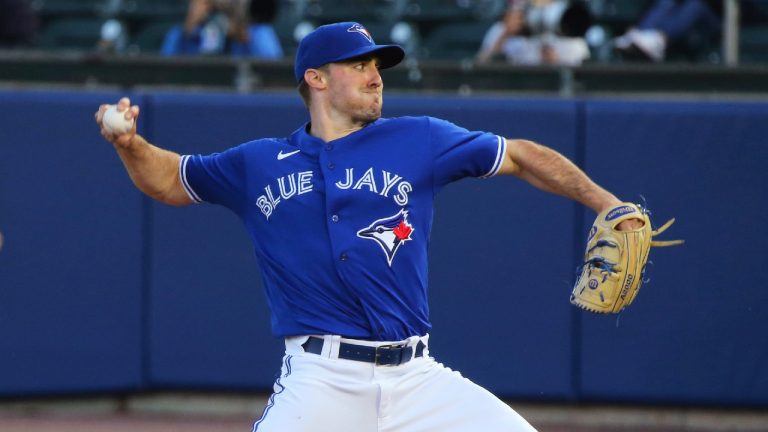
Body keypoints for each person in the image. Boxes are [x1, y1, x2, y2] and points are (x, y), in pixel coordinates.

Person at [95, 21, 640, 432]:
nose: (375, 76)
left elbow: (519, 156)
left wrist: (606, 202)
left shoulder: (419, 138)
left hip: (417, 379)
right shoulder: (259, 163)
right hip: (320, 380)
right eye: (358, 65)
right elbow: (170, 180)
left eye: (377, 66)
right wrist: (129, 144)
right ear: (315, 78)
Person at [476, 0, 591, 66]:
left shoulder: (571, 34)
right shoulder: (506, 29)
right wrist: (504, 36)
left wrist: (556, 66)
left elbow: (583, 80)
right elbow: (479, 68)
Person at [160, 0, 283, 58]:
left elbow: (272, 68)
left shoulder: (258, 30)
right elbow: (163, 72)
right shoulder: (180, 34)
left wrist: (243, 36)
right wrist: (189, 29)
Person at [612, 0, 721, 62]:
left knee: (695, 5)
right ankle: (644, 36)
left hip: (715, 22)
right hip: (682, 11)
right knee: (666, 2)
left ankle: (656, 40)